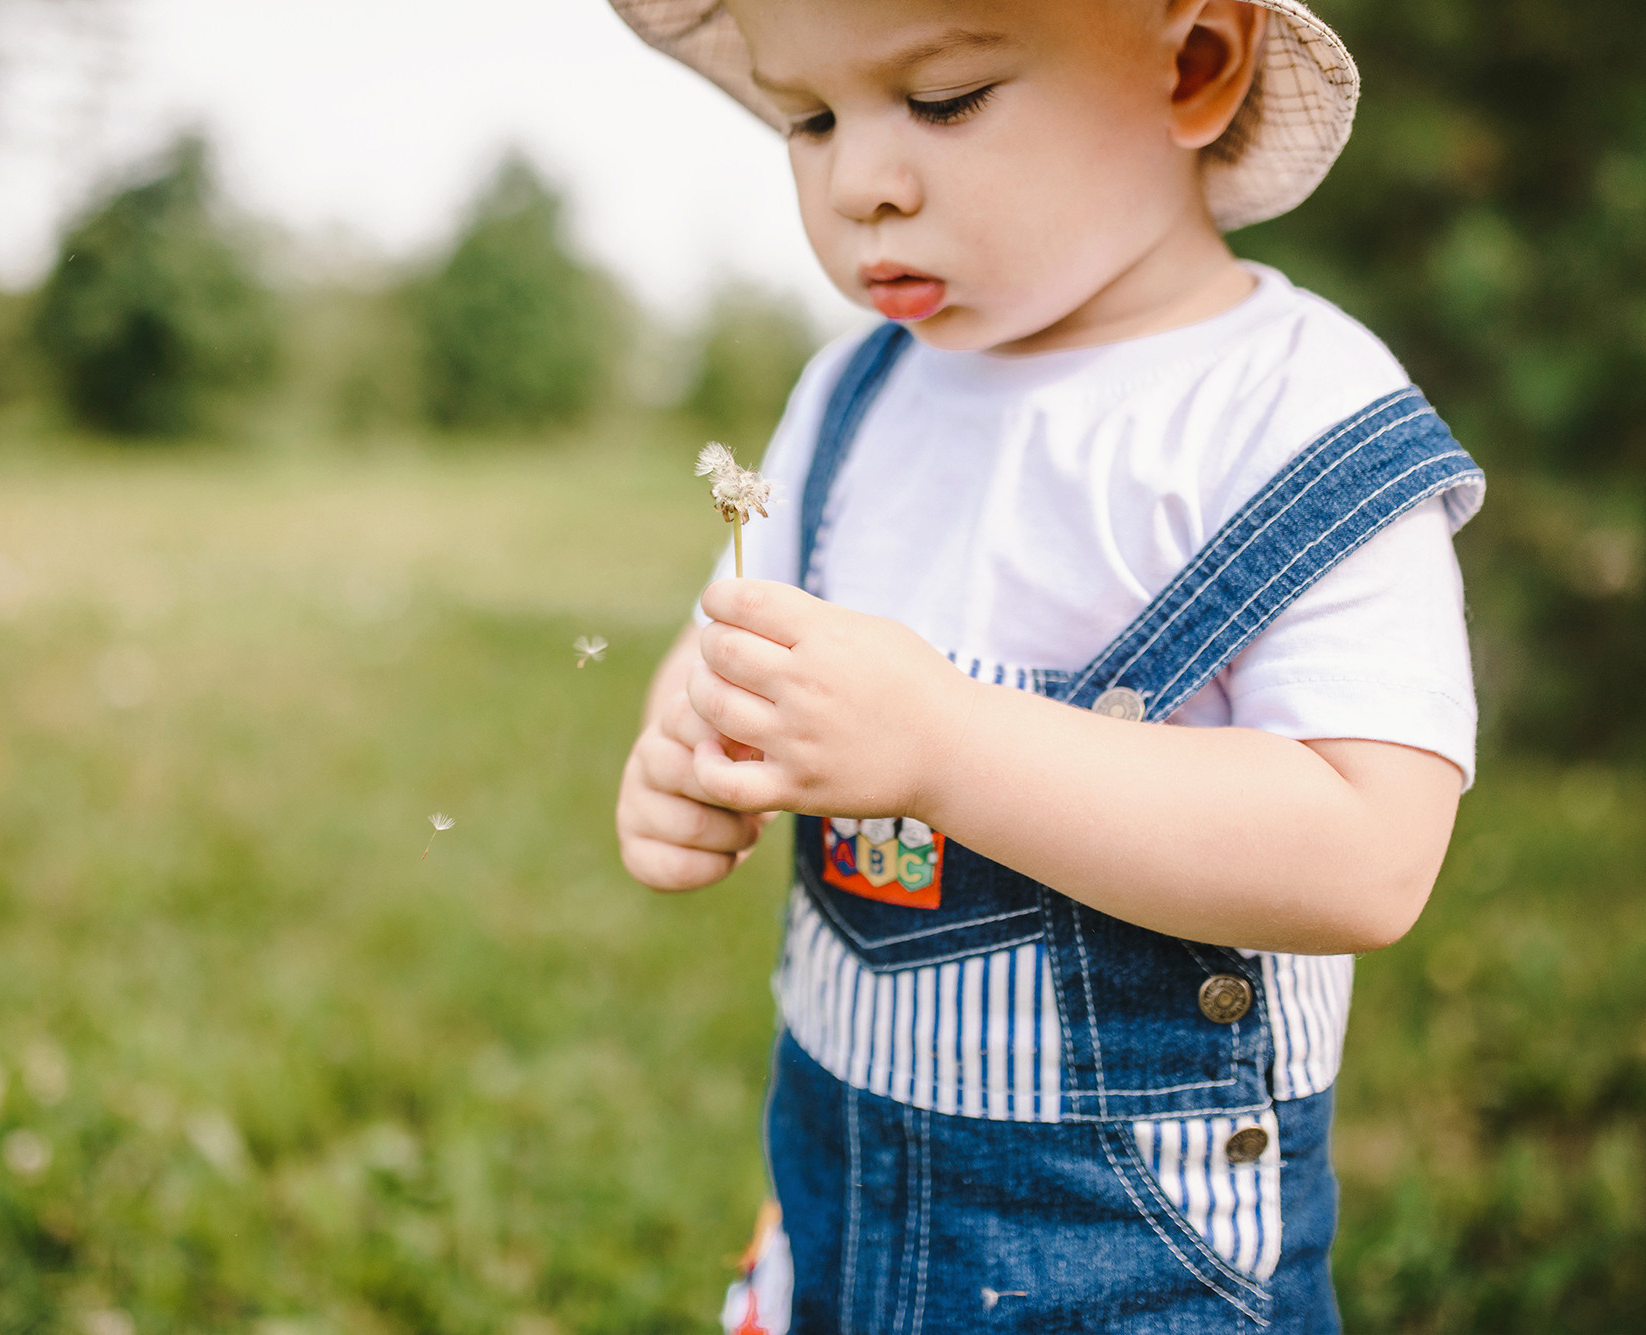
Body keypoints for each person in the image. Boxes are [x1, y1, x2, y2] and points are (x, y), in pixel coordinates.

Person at [608, 1, 1485, 1330]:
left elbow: (1372, 850)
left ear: (1194, 66)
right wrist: (687, 747)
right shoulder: (851, 392)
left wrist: (946, 746)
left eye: (947, 98)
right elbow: (729, 643)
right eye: (812, 116)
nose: (860, 186)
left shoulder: (1297, 414)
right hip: (843, 1191)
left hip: (1133, 1252)